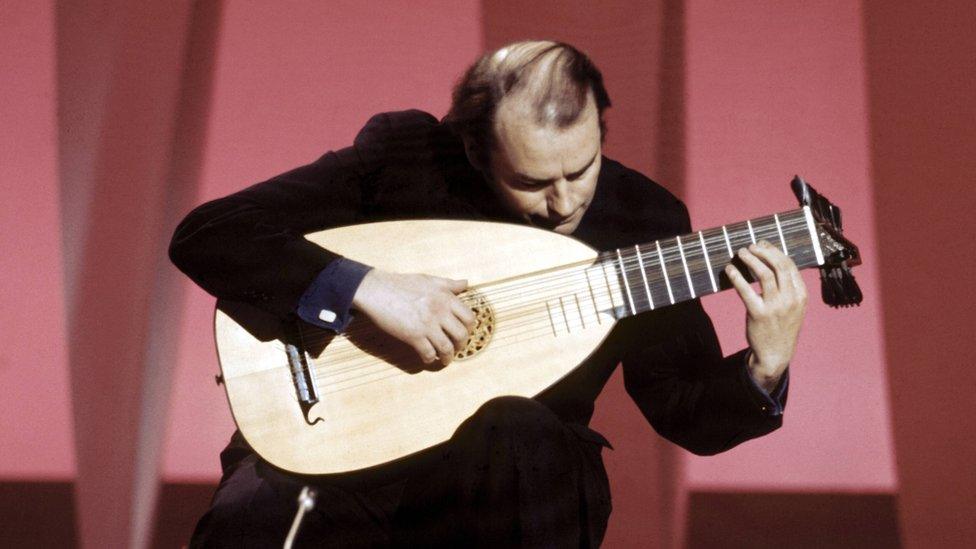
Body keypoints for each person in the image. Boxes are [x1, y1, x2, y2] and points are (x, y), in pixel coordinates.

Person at [170, 40, 806, 548]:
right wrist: (367, 286)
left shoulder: (643, 216)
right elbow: (210, 234)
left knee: (516, 428)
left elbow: (681, 408)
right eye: (531, 181)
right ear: (475, 149)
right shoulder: (406, 156)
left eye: (580, 170)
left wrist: (766, 364)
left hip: (515, 481)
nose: (563, 204)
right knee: (258, 517)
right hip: (343, 445)